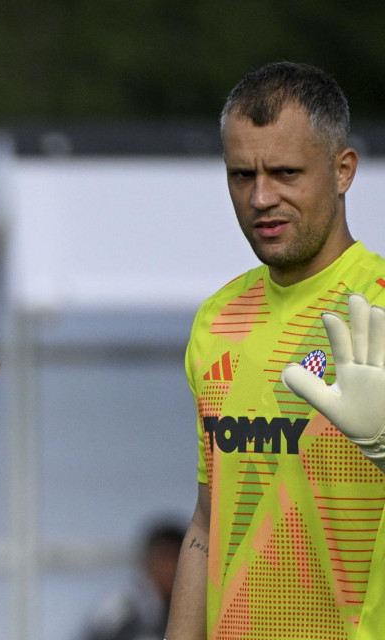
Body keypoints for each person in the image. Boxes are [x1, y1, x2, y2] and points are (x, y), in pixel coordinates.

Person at [165, 62, 385, 640]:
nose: (261, 197)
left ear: (343, 171)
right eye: (242, 175)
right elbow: (206, 525)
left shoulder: (381, 306)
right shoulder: (217, 320)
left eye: (286, 173)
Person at [80, 520, 184, 640]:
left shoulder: (191, 609)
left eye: (176, 559)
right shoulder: (123, 608)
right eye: (164, 558)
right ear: (148, 562)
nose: (169, 568)